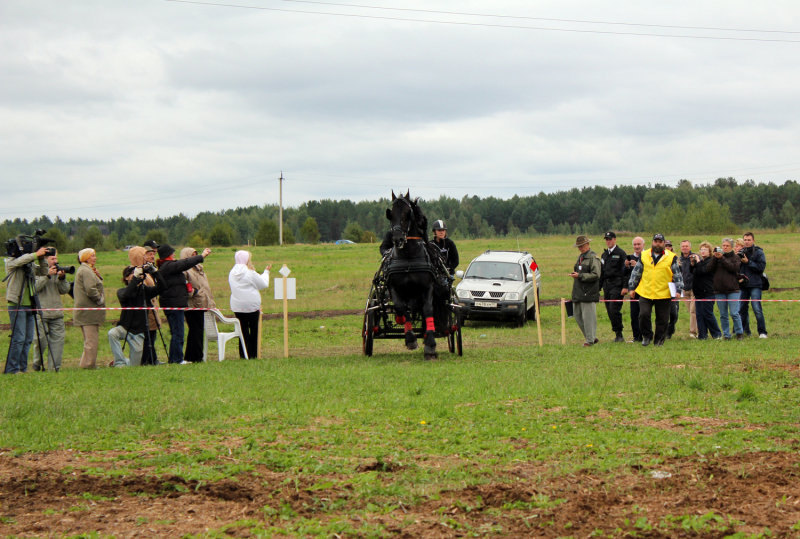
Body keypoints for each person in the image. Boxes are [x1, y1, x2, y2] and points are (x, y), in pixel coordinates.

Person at [156, 243, 212, 364]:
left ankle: (175, 358)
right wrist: (202, 256)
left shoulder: (167, 266)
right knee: (178, 333)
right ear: (168, 255)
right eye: (172, 252)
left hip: (175, 303)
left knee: (178, 333)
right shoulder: (169, 266)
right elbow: (185, 263)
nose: (174, 254)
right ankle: (176, 359)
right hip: (174, 304)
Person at [628, 233, 684, 347]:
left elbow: (677, 275)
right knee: (643, 315)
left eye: (660, 242)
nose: (657, 244)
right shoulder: (644, 255)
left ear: (663, 243)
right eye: (655, 241)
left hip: (663, 292)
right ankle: (647, 336)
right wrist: (631, 287)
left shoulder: (671, 257)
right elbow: (636, 272)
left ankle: (659, 340)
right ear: (652, 242)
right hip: (645, 291)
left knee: (662, 319)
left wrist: (679, 289)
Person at [3, 245, 48, 374]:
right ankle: (12, 369)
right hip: (16, 303)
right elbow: (20, 261)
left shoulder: (29, 264)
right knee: (19, 338)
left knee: (28, 338)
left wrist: (41, 258)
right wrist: (35, 254)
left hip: (30, 303)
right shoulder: (11, 262)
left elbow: (44, 272)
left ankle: (22, 368)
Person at [108, 266, 161, 367]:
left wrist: (155, 273)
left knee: (134, 365)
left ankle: (122, 362)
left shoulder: (144, 291)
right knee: (112, 333)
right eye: (131, 273)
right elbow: (128, 294)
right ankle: (119, 362)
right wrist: (136, 278)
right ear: (126, 278)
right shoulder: (121, 291)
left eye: (135, 273)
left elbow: (162, 287)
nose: (134, 275)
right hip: (124, 327)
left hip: (138, 332)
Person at [31, 249, 71, 372]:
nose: (55, 261)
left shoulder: (57, 271)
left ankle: (54, 369)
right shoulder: (37, 270)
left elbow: (64, 290)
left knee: (58, 342)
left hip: (57, 313)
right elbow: (34, 288)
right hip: (42, 312)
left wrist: (62, 278)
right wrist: (47, 276)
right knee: (41, 340)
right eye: (52, 259)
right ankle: (37, 362)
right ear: (45, 259)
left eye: (56, 258)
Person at [229, 250, 271, 359]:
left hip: (237, 306)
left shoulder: (232, 273)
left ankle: (243, 355)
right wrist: (266, 272)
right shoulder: (250, 273)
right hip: (252, 306)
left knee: (242, 330)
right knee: (253, 330)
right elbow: (263, 284)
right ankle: (253, 354)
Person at [181, 247, 216, 362]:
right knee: (195, 330)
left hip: (201, 303)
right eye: (192, 255)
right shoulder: (185, 270)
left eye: (196, 255)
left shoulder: (198, 269)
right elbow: (184, 286)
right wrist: (194, 292)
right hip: (192, 303)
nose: (195, 257)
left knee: (197, 330)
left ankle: (191, 356)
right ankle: (196, 357)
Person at [128, 246, 162, 365]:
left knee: (152, 336)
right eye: (143, 255)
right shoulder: (134, 273)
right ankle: (146, 360)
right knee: (148, 337)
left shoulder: (146, 272)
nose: (146, 257)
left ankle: (152, 358)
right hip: (144, 309)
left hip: (151, 306)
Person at [73, 248, 106, 369]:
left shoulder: (86, 269)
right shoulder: (86, 271)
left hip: (87, 311)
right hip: (88, 312)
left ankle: (85, 364)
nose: (95, 258)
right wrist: (99, 299)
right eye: (92, 256)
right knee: (91, 341)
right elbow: (91, 289)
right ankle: (89, 365)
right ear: (86, 258)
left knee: (89, 341)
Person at [707, 238, 743, 340]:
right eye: (723, 246)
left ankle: (739, 332)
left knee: (734, 313)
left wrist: (722, 258)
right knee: (723, 314)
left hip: (733, 290)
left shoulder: (735, 257)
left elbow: (734, 268)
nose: (725, 247)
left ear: (731, 247)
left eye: (727, 246)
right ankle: (726, 334)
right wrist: (715, 258)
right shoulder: (716, 258)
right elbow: (709, 269)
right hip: (719, 290)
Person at [569, 235, 601, 347]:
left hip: (589, 292)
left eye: (582, 246)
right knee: (578, 316)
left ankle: (590, 340)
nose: (580, 248)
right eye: (579, 246)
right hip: (579, 292)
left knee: (588, 318)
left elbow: (596, 275)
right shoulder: (580, 257)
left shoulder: (593, 258)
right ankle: (591, 336)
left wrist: (580, 276)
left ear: (588, 244)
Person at [689, 241, 722, 340]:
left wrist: (698, 262)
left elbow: (703, 271)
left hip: (708, 292)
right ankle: (702, 335)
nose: (702, 252)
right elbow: (695, 272)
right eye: (701, 250)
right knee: (699, 314)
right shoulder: (700, 262)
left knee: (708, 314)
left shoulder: (711, 261)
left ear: (710, 252)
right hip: (699, 293)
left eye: (705, 250)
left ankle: (717, 334)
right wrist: (692, 264)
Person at [738, 232, 768, 338]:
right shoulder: (740, 252)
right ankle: (743, 332)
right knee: (741, 309)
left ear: (753, 240)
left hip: (755, 284)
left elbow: (761, 267)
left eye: (749, 240)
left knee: (757, 308)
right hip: (743, 286)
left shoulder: (759, 252)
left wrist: (747, 262)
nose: (747, 241)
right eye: (745, 240)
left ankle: (762, 332)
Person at [599, 231, 627, 342]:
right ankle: (617, 333)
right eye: (606, 239)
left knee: (614, 308)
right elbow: (602, 272)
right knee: (609, 310)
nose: (608, 241)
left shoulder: (621, 253)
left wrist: (625, 286)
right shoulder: (604, 255)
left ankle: (619, 333)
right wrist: (598, 288)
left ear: (615, 240)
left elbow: (625, 271)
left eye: (610, 239)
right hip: (607, 285)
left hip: (617, 285)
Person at [624, 236, 645, 343]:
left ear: (643, 245)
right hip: (633, 290)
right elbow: (625, 275)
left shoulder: (647, 257)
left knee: (644, 314)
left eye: (639, 244)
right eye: (635, 244)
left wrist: (637, 266)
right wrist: (626, 266)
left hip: (645, 290)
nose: (637, 246)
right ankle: (636, 337)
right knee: (634, 314)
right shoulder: (630, 257)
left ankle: (646, 336)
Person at [678, 240, 698, 338]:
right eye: (683, 246)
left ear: (690, 247)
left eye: (686, 246)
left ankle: (693, 332)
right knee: (690, 311)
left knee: (693, 311)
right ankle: (699, 330)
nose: (685, 248)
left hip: (694, 287)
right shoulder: (679, 260)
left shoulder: (694, 257)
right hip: (684, 288)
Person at [664, 240, 680, 339]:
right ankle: (665, 331)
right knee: (664, 311)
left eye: (669, 246)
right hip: (663, 287)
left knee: (674, 312)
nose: (667, 247)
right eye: (666, 246)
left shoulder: (675, 258)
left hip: (673, 287)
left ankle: (671, 328)